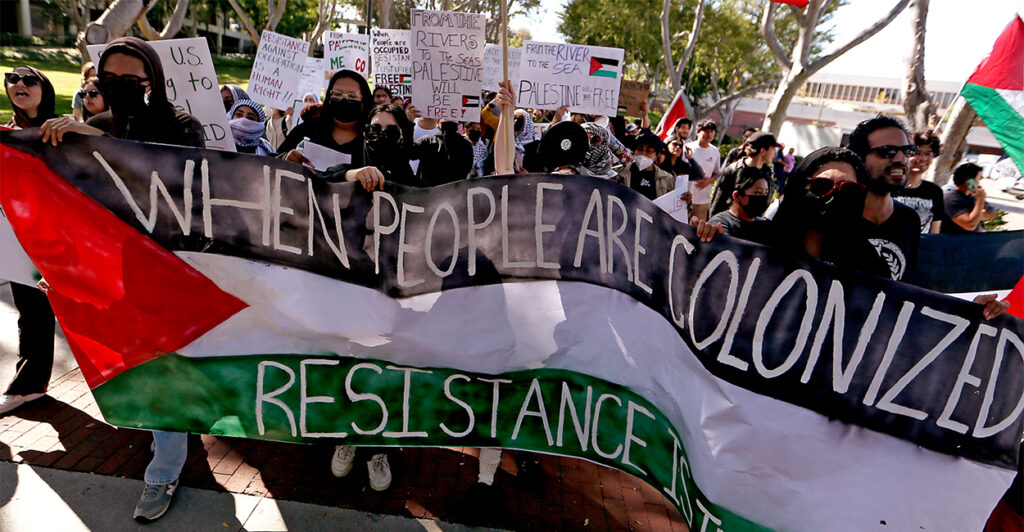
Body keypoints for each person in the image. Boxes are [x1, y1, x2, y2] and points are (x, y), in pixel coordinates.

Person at [39, 36, 206, 522]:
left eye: (131, 79)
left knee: (165, 362)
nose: (118, 86)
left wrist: (99, 144)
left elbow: (175, 178)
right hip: (112, 264)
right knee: (140, 361)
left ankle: (164, 468)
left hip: (168, 264)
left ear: (152, 80)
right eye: (109, 78)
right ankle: (168, 436)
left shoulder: (182, 126)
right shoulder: (95, 127)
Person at [0, 65, 59, 416]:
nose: (18, 84)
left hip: (60, 240)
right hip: (17, 239)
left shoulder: (61, 132)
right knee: (32, 312)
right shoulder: (4, 134)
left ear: (44, 89)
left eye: (29, 80)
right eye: (12, 78)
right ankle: (29, 385)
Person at [844, 115, 922, 281]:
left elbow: (909, 287)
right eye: (887, 151)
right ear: (859, 159)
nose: (901, 159)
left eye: (907, 151)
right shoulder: (833, 214)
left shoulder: (909, 219)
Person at [278, 70, 373, 170]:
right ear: (329, 97)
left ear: (364, 101)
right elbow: (272, 160)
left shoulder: (372, 140)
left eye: (352, 96)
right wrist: (286, 158)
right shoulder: (306, 130)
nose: (343, 100)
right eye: (337, 94)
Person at [709, 131, 778, 217]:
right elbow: (717, 206)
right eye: (773, 149)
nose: (775, 153)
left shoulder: (768, 174)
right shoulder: (732, 171)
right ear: (763, 151)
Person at [892, 130, 945, 233]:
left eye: (928, 154)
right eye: (917, 153)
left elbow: (935, 231)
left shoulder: (934, 191)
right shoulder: (889, 186)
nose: (922, 158)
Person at [707, 167, 772, 242]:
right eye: (758, 192)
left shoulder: (763, 226)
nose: (763, 198)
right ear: (737, 195)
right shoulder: (720, 223)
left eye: (766, 193)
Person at [614, 131, 674, 200]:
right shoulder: (618, 172)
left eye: (649, 151)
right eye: (640, 149)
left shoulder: (667, 178)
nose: (643, 153)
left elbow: (674, 201)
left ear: (656, 155)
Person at [941, 162, 996, 234]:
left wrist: (980, 213)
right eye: (979, 179)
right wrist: (980, 200)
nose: (979, 183)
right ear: (969, 181)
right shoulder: (951, 199)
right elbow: (970, 225)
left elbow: (991, 214)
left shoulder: (971, 197)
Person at [685, 118, 722, 221]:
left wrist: (709, 181)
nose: (709, 134)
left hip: (702, 200)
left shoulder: (715, 151)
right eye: (706, 131)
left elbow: (717, 173)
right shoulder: (687, 148)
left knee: (697, 228)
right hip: (685, 197)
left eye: (711, 132)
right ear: (698, 132)